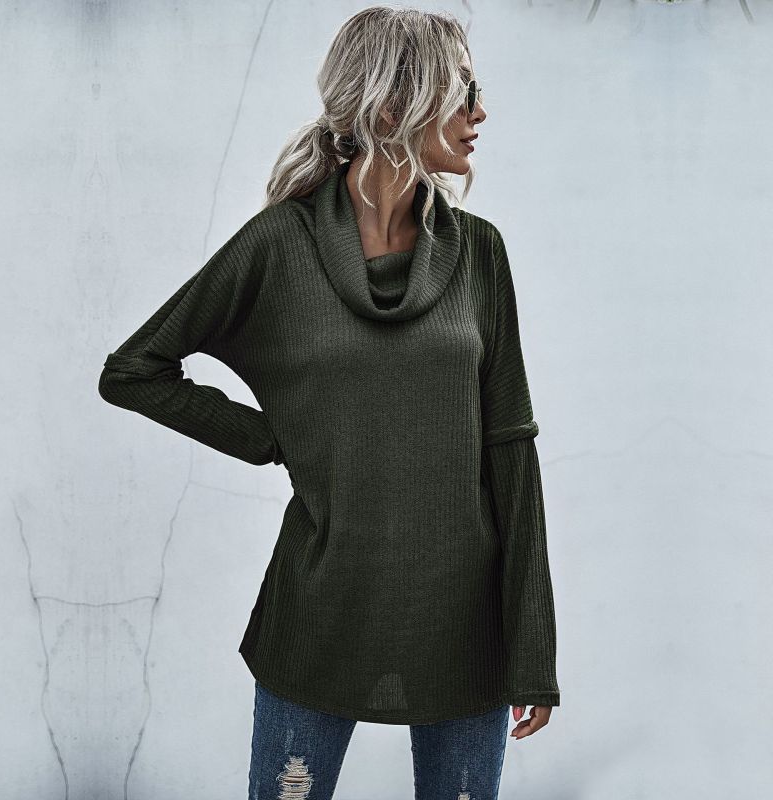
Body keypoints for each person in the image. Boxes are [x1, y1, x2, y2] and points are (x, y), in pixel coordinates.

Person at [98, 6, 560, 799]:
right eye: (462, 91)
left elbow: (510, 450)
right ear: (392, 105)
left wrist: (533, 652)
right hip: (317, 617)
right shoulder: (280, 244)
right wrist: (268, 437)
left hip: (467, 627)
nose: (480, 112)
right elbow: (135, 369)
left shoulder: (481, 251)